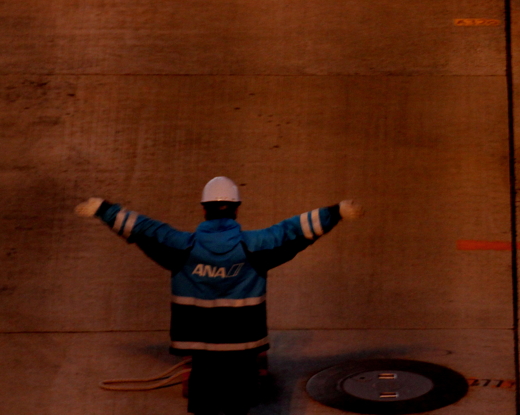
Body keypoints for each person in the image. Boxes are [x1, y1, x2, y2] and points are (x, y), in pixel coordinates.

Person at [75, 176, 364, 415]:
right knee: (240, 401)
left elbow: (147, 230)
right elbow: (291, 232)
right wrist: (335, 212)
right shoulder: (255, 247)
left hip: (199, 339)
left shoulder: (182, 248)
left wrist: (103, 209)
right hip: (242, 339)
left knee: (203, 398)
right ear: (236, 209)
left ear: (204, 210)